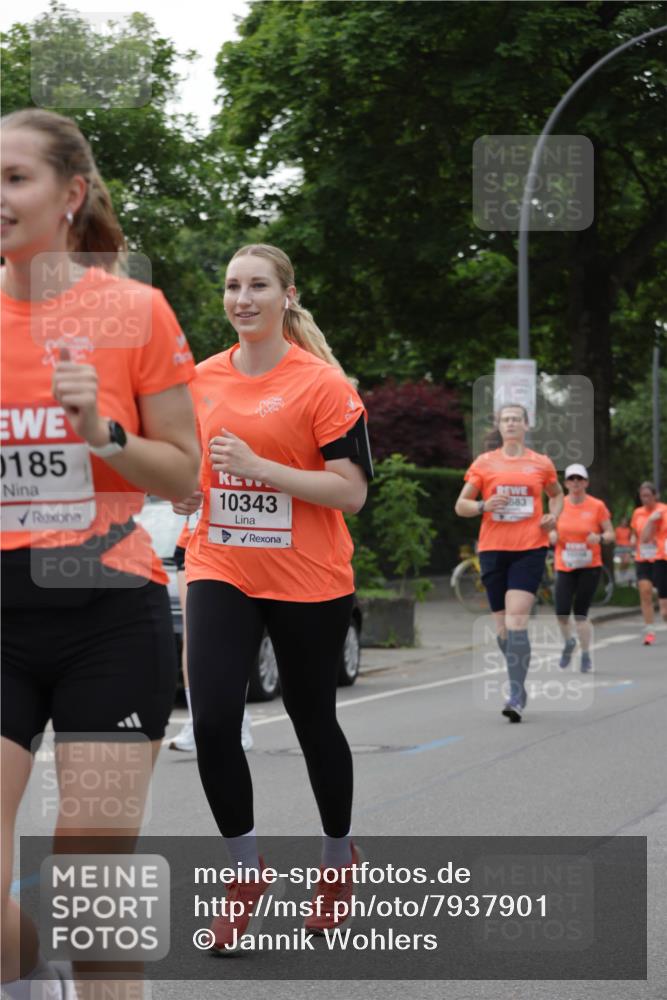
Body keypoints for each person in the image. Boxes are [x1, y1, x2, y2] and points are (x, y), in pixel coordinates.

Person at [1, 109, 200, 1000]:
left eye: (14, 178)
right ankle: (33, 963)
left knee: (95, 898)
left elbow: (186, 477)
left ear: (69, 196)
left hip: (108, 612)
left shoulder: (133, 312)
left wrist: (103, 431)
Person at [172, 243, 373, 953]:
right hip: (220, 564)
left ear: (287, 295)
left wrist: (262, 468)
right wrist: (178, 485)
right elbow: (189, 476)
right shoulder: (198, 381)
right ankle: (244, 872)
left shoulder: (322, 385)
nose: (242, 298)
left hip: (308, 577)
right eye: (231, 285)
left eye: (258, 285)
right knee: (214, 721)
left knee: (311, 717)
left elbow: (350, 491)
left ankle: (336, 858)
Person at [455, 403, 563, 722]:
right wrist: (484, 505)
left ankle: (515, 692)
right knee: (502, 628)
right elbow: (461, 505)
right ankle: (518, 680)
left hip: (530, 548)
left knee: (517, 620)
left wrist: (552, 517)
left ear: (526, 425)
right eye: (507, 419)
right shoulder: (485, 464)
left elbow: (556, 496)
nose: (512, 423)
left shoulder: (541, 463)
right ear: (500, 426)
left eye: (517, 419)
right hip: (492, 549)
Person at [168, 512, 253, 753]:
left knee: (233, 637)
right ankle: (196, 718)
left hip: (233, 540)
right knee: (192, 636)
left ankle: (239, 717)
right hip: (193, 540)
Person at [548, 465, 614, 672]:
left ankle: (585, 655)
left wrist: (600, 537)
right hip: (565, 564)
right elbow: (549, 529)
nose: (575, 483)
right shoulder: (558, 504)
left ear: (586, 482)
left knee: (581, 614)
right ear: (565, 483)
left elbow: (610, 533)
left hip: (589, 566)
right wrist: (551, 536)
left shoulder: (597, 506)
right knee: (560, 611)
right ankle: (569, 643)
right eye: (571, 479)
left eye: (579, 479)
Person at [632, 482, 667, 644]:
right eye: (642, 496)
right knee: (645, 591)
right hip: (643, 557)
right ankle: (650, 630)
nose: (645, 499)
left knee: (664, 605)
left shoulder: (664, 510)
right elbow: (639, 535)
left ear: (655, 496)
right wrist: (650, 522)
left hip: (661, 557)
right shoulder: (638, 513)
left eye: (648, 496)